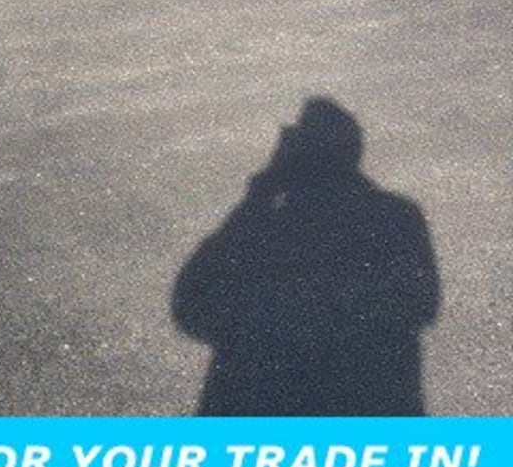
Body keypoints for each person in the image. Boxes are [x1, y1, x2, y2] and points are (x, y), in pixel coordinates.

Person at [172, 98, 440, 414]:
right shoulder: (395, 219)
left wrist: (260, 193)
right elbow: (420, 303)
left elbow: (191, 304)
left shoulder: (267, 224)